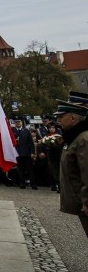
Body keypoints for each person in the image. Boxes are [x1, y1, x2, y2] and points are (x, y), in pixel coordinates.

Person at [55, 93, 88, 236]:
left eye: (61, 116)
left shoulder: (83, 139)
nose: (58, 120)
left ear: (73, 118)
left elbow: (87, 171)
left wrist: (87, 201)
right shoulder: (75, 136)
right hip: (79, 200)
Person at [13, 119, 37, 189]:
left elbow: (31, 142)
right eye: (16, 122)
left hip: (26, 153)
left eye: (19, 122)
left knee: (30, 170)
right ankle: (22, 183)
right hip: (18, 153)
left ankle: (33, 184)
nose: (18, 123)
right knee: (20, 170)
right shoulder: (13, 131)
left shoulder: (26, 131)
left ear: (21, 123)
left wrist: (32, 152)